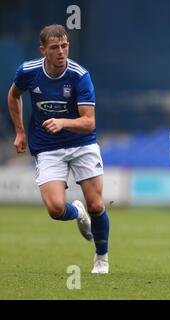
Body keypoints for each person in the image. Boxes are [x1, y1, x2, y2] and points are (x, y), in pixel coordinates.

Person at [7, 24, 110, 274]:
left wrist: (63, 122)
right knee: (55, 209)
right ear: (43, 50)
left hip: (81, 144)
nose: (61, 52)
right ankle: (77, 212)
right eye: (55, 47)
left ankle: (101, 257)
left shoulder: (79, 76)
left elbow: (89, 122)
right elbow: (13, 95)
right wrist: (20, 131)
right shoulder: (28, 71)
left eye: (65, 46)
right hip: (47, 147)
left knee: (97, 205)